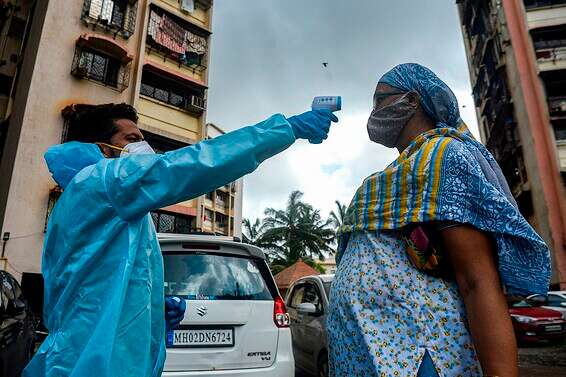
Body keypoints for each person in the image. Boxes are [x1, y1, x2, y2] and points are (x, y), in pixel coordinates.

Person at [24, 103, 338, 377]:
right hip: (91, 363)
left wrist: (149, 308)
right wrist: (286, 129)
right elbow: (197, 162)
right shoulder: (103, 181)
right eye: (132, 139)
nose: (142, 147)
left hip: (88, 354)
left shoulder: (107, 201)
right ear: (104, 148)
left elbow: (95, 285)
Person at [327, 63, 550, 377]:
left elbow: (477, 280)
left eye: (380, 100)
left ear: (413, 100)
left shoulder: (443, 157)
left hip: (414, 351)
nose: (374, 111)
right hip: (366, 352)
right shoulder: (401, 170)